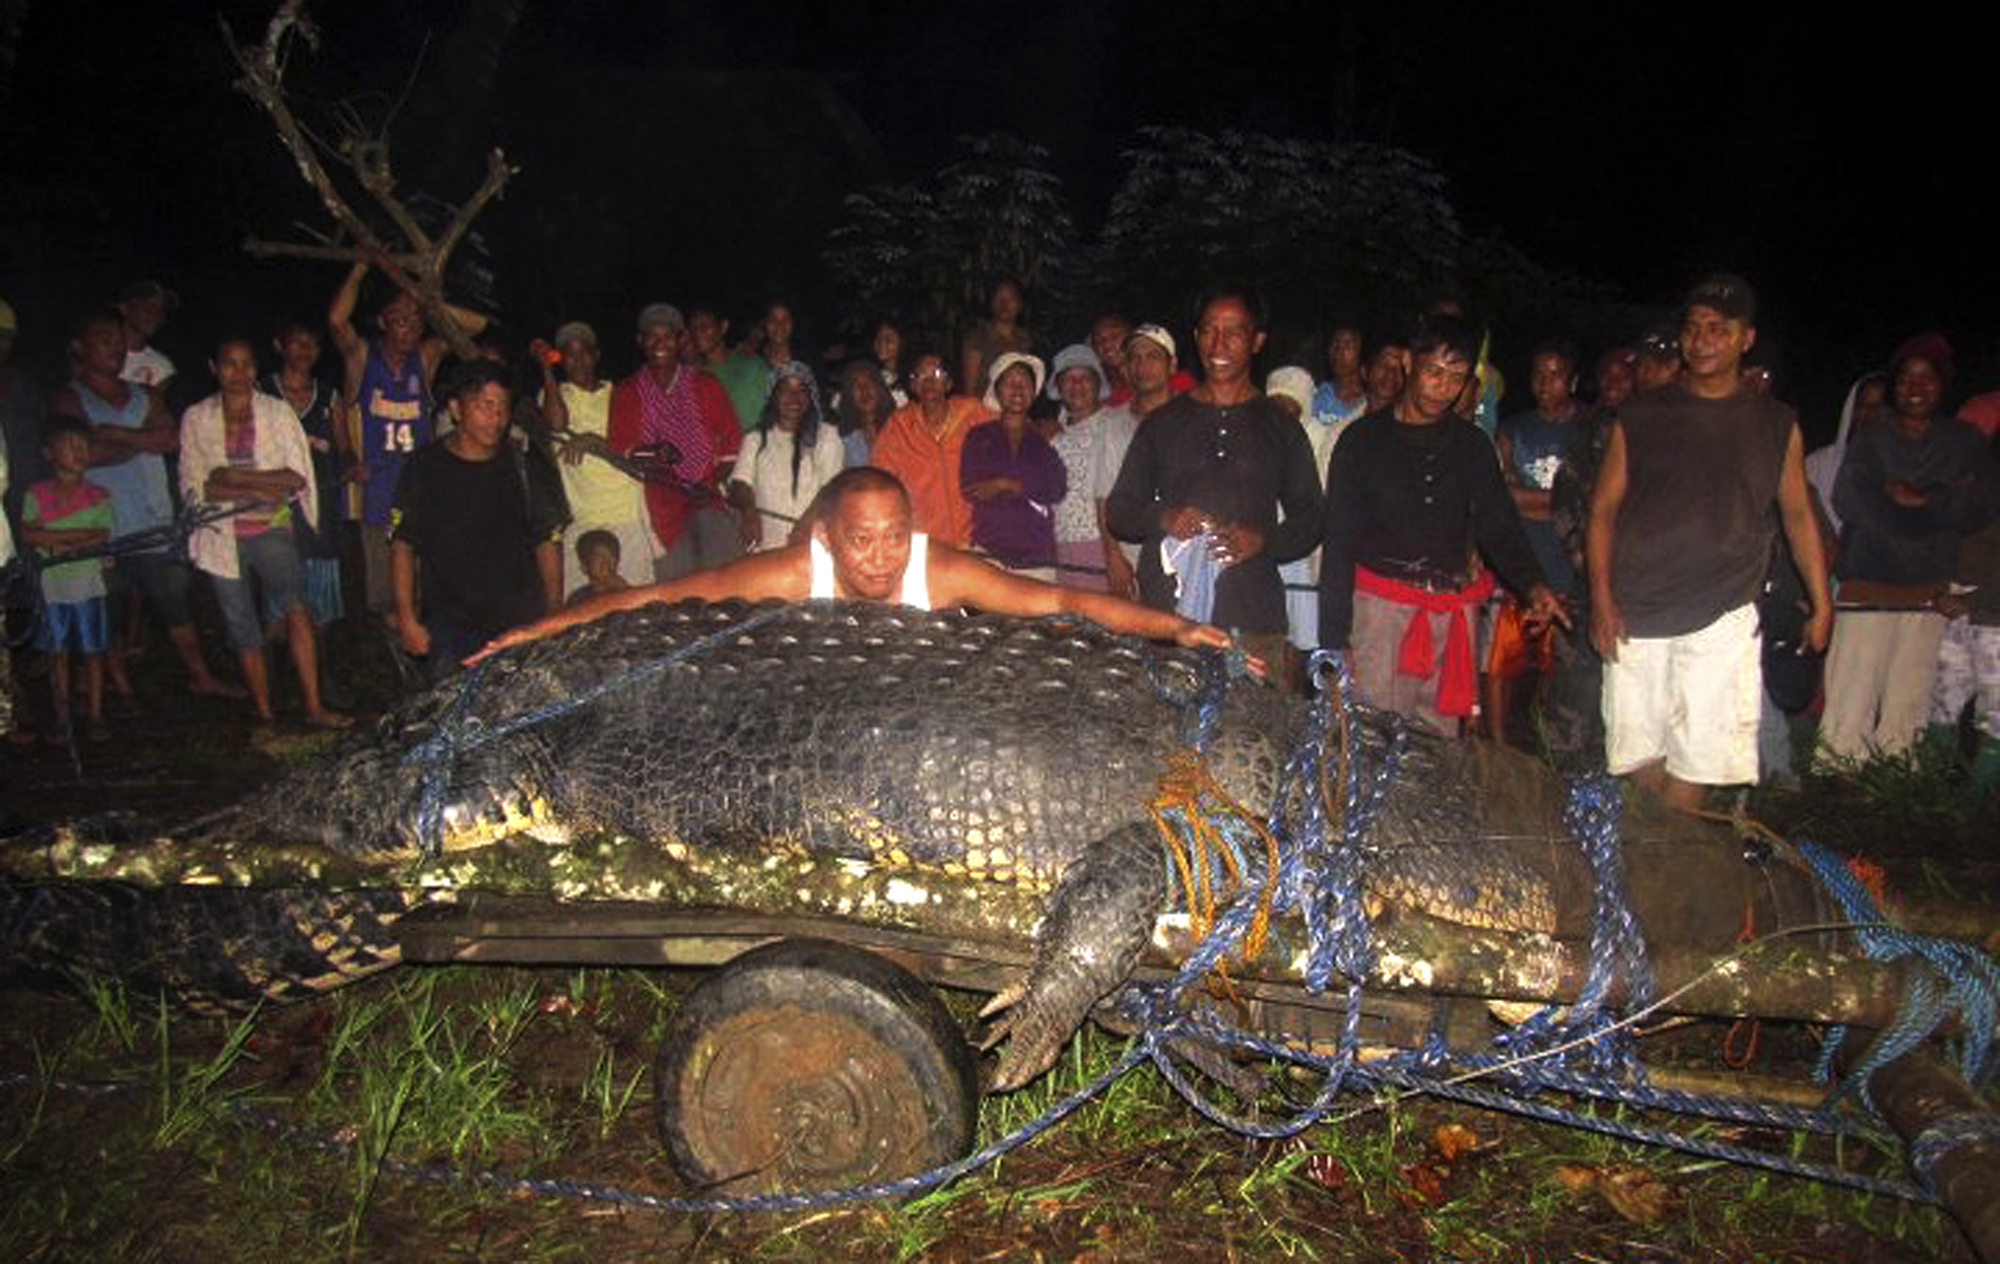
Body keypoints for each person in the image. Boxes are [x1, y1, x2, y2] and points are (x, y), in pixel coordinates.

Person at [471, 466, 1238, 665]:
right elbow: (663, 596)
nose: (880, 558)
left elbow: (1063, 604)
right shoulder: (791, 571)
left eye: (895, 536)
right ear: (828, 539)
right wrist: (536, 632)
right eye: (862, 540)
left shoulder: (937, 571)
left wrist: (1175, 627)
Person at [1588, 274, 1831, 811]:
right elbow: (1602, 509)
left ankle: (1672, 866)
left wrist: (1822, 601)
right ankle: (1665, 849)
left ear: (1745, 339)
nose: (1702, 340)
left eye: (1718, 329)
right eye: (1694, 328)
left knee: (1699, 753)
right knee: (1636, 754)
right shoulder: (1645, 412)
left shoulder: (1775, 423)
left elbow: (1797, 514)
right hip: (1639, 606)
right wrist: (1601, 599)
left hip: (1722, 610)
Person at [1320, 313, 1565, 734]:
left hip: (1450, 613)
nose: (1443, 386)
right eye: (1434, 370)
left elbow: (1498, 525)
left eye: (1457, 376)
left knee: (1438, 745)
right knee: (1372, 737)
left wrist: (1533, 585)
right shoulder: (1361, 441)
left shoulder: (1472, 446)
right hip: (1380, 615)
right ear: (1408, 362)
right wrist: (1334, 637)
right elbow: (1339, 542)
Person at [1105, 287, 1323, 677]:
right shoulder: (1164, 424)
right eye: (1208, 330)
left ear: (1257, 340)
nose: (1218, 343)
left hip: (1251, 619)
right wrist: (1164, 517)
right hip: (1167, 621)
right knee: (1162, 735)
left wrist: (1263, 540)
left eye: (1234, 332)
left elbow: (1311, 519)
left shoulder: (1280, 428)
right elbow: (1120, 511)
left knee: (1249, 736)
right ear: (1196, 337)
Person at [1820, 335, 1994, 763]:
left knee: (1908, 701)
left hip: (1927, 592)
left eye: (1927, 377)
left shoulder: (1964, 440)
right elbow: (1851, 501)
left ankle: (1893, 793)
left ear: (1943, 384)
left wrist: (1912, 498)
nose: (1915, 386)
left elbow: (1978, 507)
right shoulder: (1874, 435)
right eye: (1906, 377)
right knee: (1849, 697)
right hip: (1867, 586)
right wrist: (1938, 502)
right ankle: (1836, 788)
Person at [51, 310, 236, 702]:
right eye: (104, 338)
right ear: (82, 346)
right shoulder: (70, 397)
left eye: (118, 340)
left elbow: (172, 440)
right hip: (99, 526)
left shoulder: (144, 394)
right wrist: (140, 440)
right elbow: (84, 455)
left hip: (153, 520)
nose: (115, 347)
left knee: (174, 596)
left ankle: (199, 675)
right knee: (109, 605)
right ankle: (116, 689)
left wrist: (116, 435)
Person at [181, 337, 346, 729]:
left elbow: (295, 477)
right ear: (213, 367)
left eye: (247, 364)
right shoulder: (198, 417)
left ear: (257, 368)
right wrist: (261, 486)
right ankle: (265, 711)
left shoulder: (275, 413)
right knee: (241, 623)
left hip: (272, 527)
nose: (239, 373)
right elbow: (197, 487)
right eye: (229, 364)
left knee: (296, 607)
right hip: (220, 534)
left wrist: (233, 477)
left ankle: (314, 706)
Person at [329, 261, 489, 615]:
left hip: (421, 493)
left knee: (427, 592)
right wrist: (357, 269)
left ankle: (426, 663)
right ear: (383, 322)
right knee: (387, 599)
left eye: (417, 321)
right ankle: (396, 664)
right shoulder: (363, 358)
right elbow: (337, 322)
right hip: (377, 495)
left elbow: (476, 325)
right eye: (400, 319)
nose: (411, 327)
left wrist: (425, 300)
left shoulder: (425, 358)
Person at [390, 360, 563, 680]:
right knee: (454, 713)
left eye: (503, 407)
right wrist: (406, 617)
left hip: (518, 618)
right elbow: (403, 544)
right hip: (450, 622)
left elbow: (548, 539)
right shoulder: (424, 468)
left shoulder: (524, 466)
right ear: (456, 409)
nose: (496, 418)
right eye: (485, 406)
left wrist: (553, 613)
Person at [606, 303, 745, 580]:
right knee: (678, 595)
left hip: (709, 500)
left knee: (726, 586)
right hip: (661, 509)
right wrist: (654, 454)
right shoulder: (628, 391)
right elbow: (622, 450)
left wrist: (710, 482)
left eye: (668, 336)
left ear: (680, 340)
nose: (660, 344)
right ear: (640, 341)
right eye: (652, 336)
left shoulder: (705, 384)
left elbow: (732, 445)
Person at [531, 320, 654, 589]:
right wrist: (546, 370)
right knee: (580, 610)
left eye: (584, 352)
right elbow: (557, 424)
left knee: (637, 603)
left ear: (596, 355)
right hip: (583, 518)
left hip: (627, 514)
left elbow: (636, 450)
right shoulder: (554, 395)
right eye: (569, 354)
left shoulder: (621, 393)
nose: (578, 360)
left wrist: (594, 441)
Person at [20, 418, 112, 743]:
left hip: (88, 583)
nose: (78, 452)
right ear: (49, 453)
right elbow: (29, 533)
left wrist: (54, 538)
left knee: (92, 651)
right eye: (69, 445)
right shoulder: (37, 493)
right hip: (53, 585)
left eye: (83, 445)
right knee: (57, 652)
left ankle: (95, 713)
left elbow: (100, 534)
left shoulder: (99, 495)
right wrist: (74, 538)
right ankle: (62, 716)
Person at [260, 322, 346, 628]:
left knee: (320, 599)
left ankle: (320, 659)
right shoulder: (262, 393)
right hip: (275, 504)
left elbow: (343, 448)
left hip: (321, 501)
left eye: (312, 344)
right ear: (279, 345)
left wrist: (352, 467)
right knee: (279, 593)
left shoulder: (329, 396)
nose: (305, 350)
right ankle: (277, 659)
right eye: (297, 342)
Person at [960, 353, 1064, 579]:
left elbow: (1056, 488)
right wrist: (1027, 488)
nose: (1018, 389)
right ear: (996, 390)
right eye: (1009, 382)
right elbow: (970, 488)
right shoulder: (979, 436)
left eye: (1025, 383)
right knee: (987, 615)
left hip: (1037, 557)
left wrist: (1006, 485)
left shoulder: (1043, 437)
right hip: (989, 554)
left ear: (1033, 392)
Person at [1044, 343, 1137, 595]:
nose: (1077, 385)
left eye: (1085, 378)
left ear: (1098, 384)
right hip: (1064, 550)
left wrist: (1115, 555)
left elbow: (1123, 495)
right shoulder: (1054, 438)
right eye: (1069, 379)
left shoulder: (1119, 423)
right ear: (1059, 388)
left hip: (1107, 548)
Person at [872, 352, 983, 548]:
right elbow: (880, 479)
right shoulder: (899, 425)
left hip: (976, 539)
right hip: (924, 543)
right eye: (921, 375)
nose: (930, 381)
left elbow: (1011, 429)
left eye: (937, 373)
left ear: (949, 383)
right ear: (913, 385)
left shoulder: (973, 413)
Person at [730, 361, 843, 550]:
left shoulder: (828, 436)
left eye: (802, 390)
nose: (794, 397)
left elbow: (831, 488)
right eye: (785, 389)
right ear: (773, 396)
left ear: (811, 396)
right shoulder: (756, 438)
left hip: (814, 543)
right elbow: (739, 482)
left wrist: (804, 525)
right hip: (767, 547)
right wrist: (749, 512)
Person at [1806, 372, 1887, 538]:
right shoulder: (1818, 464)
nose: (1871, 414)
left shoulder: (1910, 468)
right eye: (1863, 406)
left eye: (1879, 406)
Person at [960, 277, 1034, 400]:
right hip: (985, 411)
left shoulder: (1024, 338)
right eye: (999, 298)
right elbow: (970, 388)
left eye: (1011, 298)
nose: (1004, 304)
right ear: (991, 303)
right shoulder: (978, 337)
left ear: (1020, 305)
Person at [116, 280, 177, 395]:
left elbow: (152, 407)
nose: (156, 316)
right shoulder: (98, 353)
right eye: (148, 308)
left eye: (161, 311)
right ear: (124, 308)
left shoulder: (162, 365)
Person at [834, 359, 893, 467]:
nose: (864, 389)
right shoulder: (841, 441)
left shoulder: (902, 430)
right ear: (849, 395)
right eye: (856, 384)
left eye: (869, 381)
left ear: (880, 388)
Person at [566, 529, 630, 606]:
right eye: (599, 556)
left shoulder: (625, 591)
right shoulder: (578, 598)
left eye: (612, 556)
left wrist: (625, 590)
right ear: (584, 567)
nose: (607, 563)